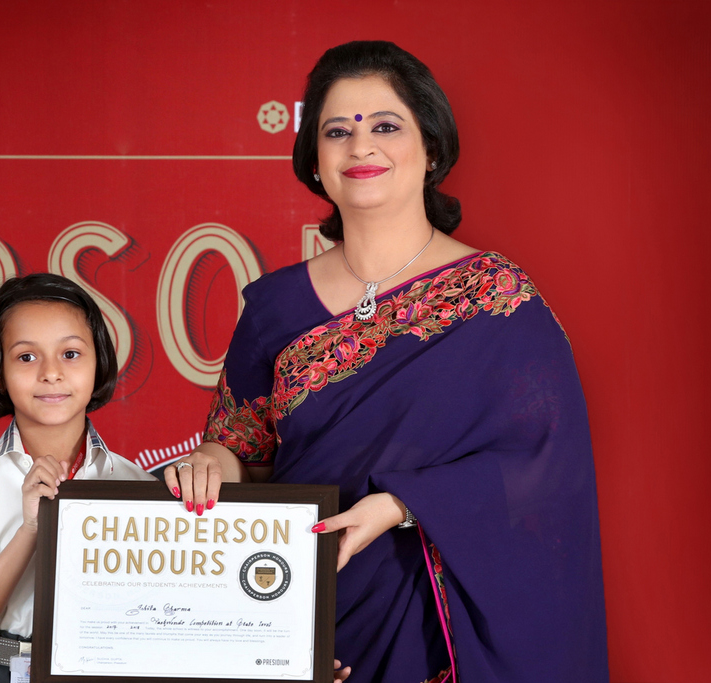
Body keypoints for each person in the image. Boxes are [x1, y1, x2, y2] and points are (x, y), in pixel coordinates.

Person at [165, 41, 608, 683]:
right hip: (302, 610)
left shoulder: (497, 298)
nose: (360, 146)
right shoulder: (274, 307)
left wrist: (401, 504)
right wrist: (211, 461)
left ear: (432, 150)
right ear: (315, 161)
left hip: (434, 626)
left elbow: (544, 466)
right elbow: (245, 454)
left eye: (386, 126)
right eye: (337, 131)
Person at [0, 273, 154, 681]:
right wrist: (31, 527)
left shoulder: (140, 488)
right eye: (26, 357)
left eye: (70, 354)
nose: (51, 373)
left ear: (99, 363)